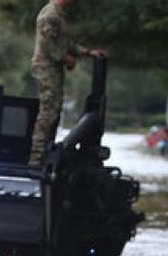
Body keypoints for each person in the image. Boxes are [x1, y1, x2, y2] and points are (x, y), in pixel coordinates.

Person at [28, 0, 106, 167]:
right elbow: (47, 44)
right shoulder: (50, 14)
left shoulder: (58, 15)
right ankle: (36, 159)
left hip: (52, 68)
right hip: (46, 68)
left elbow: (64, 43)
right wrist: (65, 58)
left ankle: (46, 153)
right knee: (48, 112)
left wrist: (87, 52)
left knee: (54, 110)